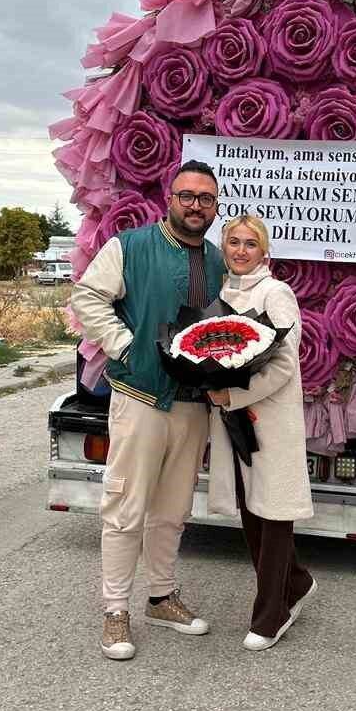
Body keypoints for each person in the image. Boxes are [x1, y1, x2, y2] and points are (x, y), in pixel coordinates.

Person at [70, 161, 225, 662]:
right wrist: (126, 347)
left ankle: (161, 597)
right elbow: (88, 297)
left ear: (215, 206)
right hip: (141, 397)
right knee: (126, 505)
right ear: (170, 198)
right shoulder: (131, 247)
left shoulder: (222, 260)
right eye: (187, 195)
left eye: (205, 198)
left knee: (174, 509)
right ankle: (116, 609)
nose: (195, 204)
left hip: (192, 404)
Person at [205, 214, 317, 651]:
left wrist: (233, 396)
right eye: (233, 242)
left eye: (250, 244)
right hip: (232, 421)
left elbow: (285, 363)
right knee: (252, 510)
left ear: (264, 252)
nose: (240, 250)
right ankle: (298, 581)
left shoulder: (276, 293)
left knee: (273, 514)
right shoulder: (221, 293)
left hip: (267, 420)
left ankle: (274, 611)